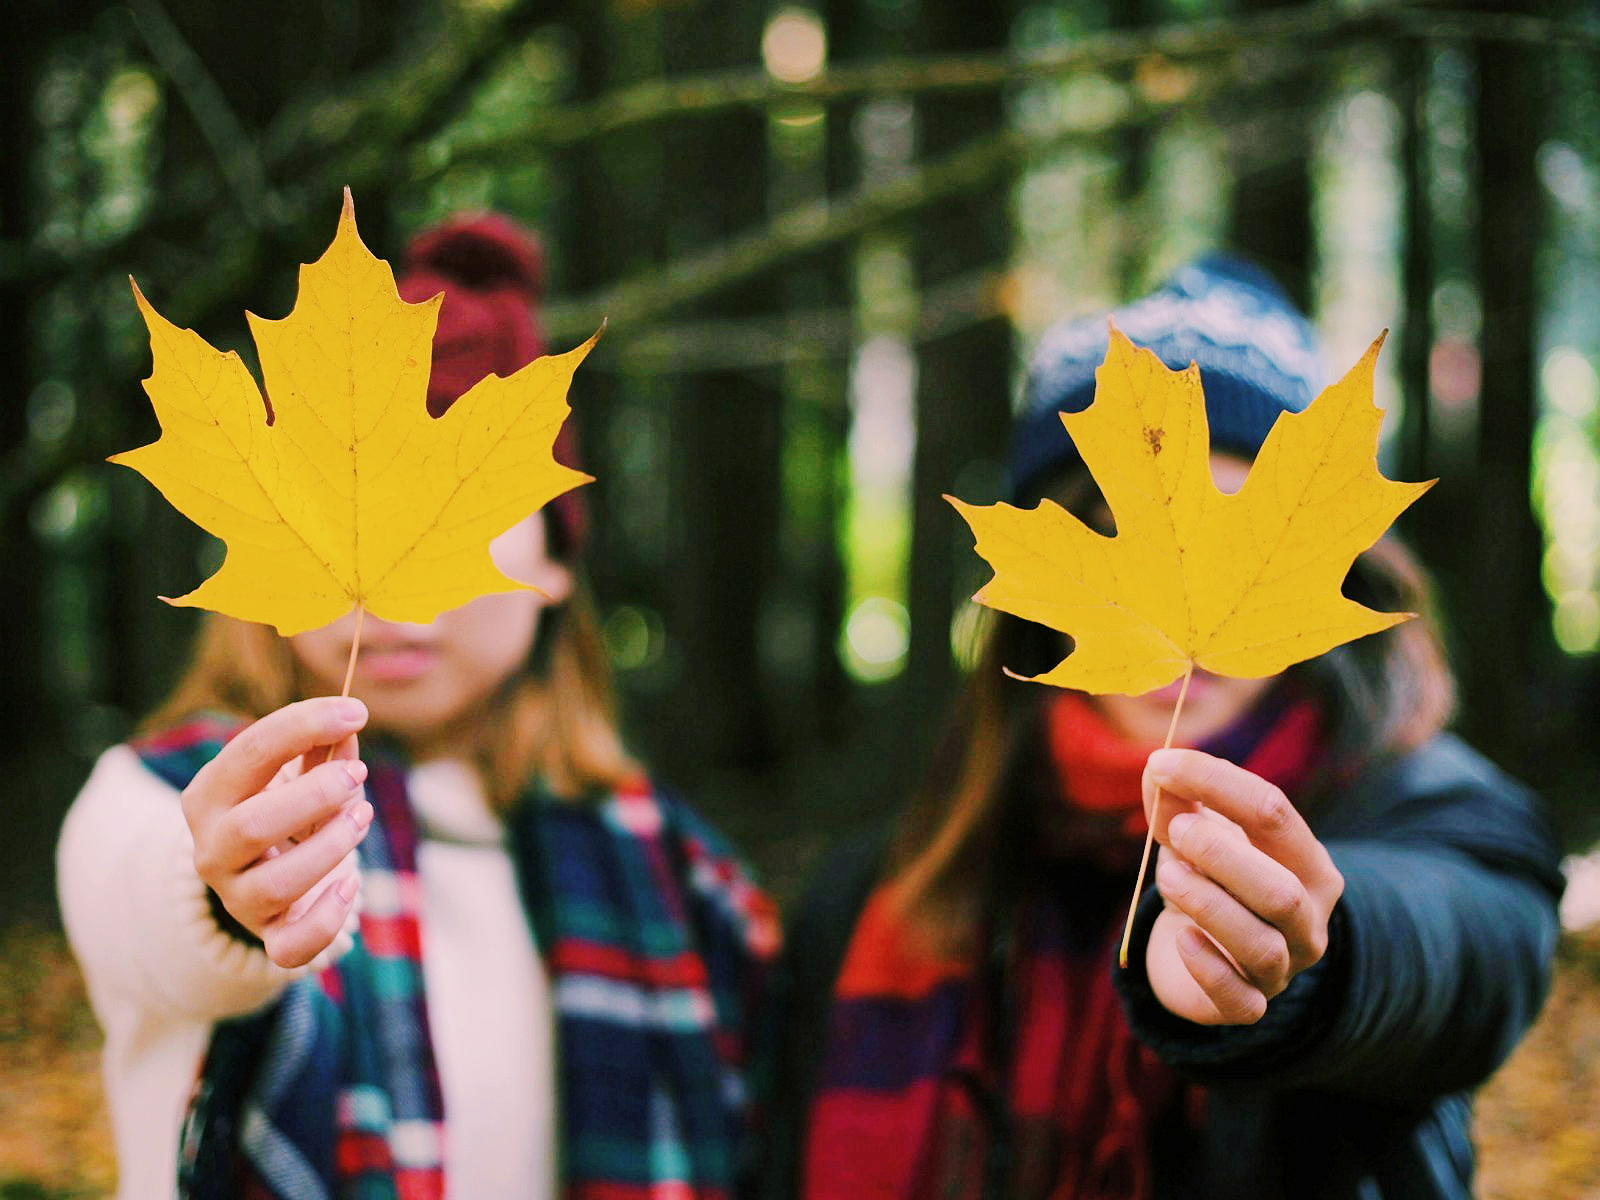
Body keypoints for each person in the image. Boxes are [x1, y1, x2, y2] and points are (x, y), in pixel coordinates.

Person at [756, 256, 1564, 1200]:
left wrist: (1305, 961)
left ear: (1334, 572)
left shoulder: (1436, 818)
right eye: (1109, 523)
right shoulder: (867, 900)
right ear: (1041, 583)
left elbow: (1454, 959)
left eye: (1243, 535)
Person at [57, 213, 779, 1200]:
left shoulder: (669, 863)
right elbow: (158, 913)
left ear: (560, 562)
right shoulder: (148, 802)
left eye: (467, 523)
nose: (397, 599)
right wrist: (232, 894)